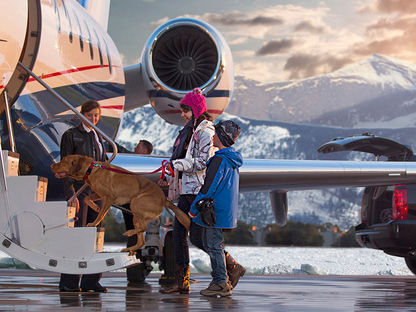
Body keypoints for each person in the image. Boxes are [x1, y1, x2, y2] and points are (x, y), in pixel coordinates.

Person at [159, 88, 216, 294]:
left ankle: (229, 267)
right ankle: (182, 281)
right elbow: (179, 158)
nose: (182, 114)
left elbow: (202, 162)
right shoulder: (190, 131)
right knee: (180, 234)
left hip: (197, 191)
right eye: (183, 110)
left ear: (196, 110)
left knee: (197, 237)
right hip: (186, 190)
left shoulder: (205, 131)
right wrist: (168, 174)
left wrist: (178, 166)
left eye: (186, 110)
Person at [57, 100, 108, 293]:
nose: (94, 119)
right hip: (80, 190)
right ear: (82, 115)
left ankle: (91, 280)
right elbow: (64, 167)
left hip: (97, 191)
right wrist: (71, 194)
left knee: (97, 234)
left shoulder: (99, 136)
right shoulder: (71, 136)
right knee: (77, 235)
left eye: (96, 115)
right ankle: (69, 281)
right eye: (90, 115)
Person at [188, 120, 243, 297]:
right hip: (224, 210)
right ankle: (220, 280)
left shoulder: (219, 160)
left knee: (213, 246)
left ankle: (220, 282)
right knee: (213, 244)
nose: (213, 135)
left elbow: (209, 187)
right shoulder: (231, 160)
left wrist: (194, 208)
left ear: (222, 136)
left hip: (214, 211)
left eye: (216, 132)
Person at [121, 139, 154, 284]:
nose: (134, 147)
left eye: (138, 146)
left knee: (134, 236)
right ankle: (140, 269)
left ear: (145, 151)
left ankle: (136, 272)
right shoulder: (136, 164)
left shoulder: (142, 167)